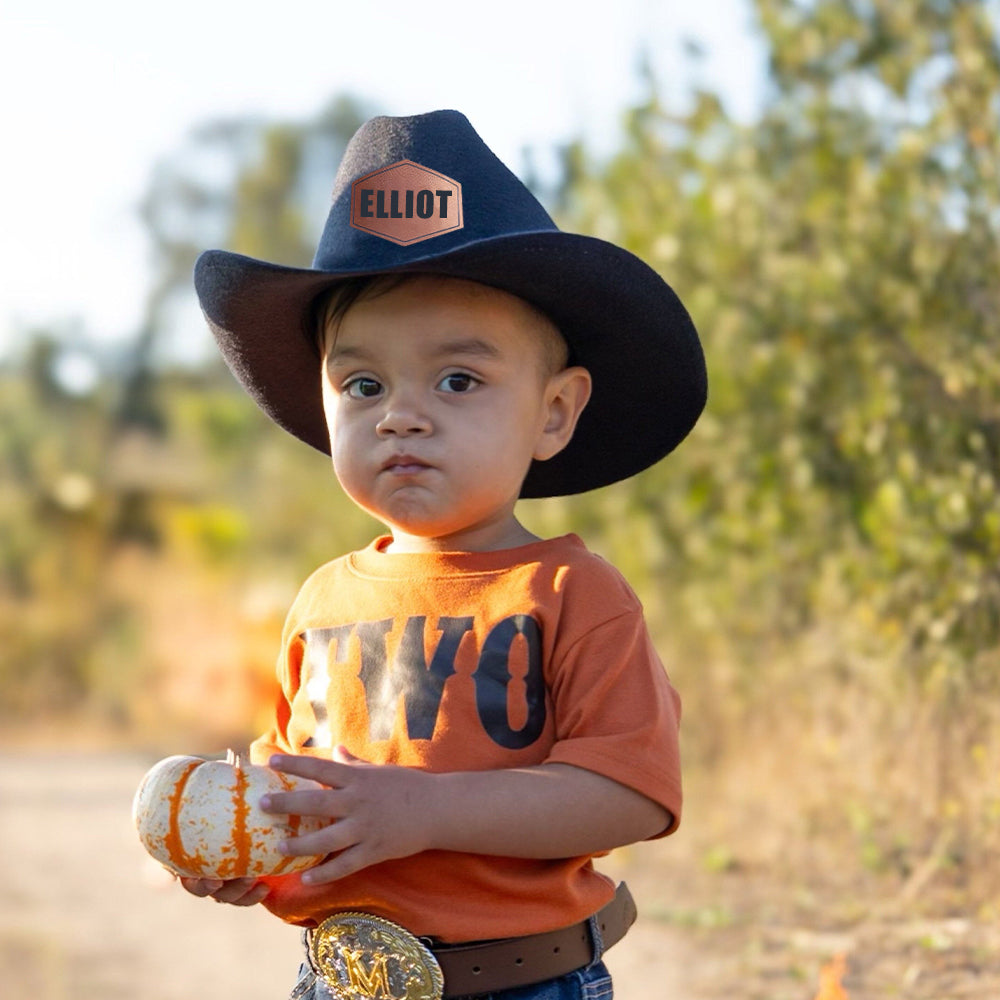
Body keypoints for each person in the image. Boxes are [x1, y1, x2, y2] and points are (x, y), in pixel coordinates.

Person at [184, 109, 707, 1000]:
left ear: (554, 412)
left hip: (522, 982)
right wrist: (251, 848)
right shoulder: (322, 601)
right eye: (363, 384)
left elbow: (630, 793)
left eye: (458, 379)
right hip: (336, 980)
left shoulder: (571, 593)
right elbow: (295, 783)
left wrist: (424, 811)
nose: (400, 415)